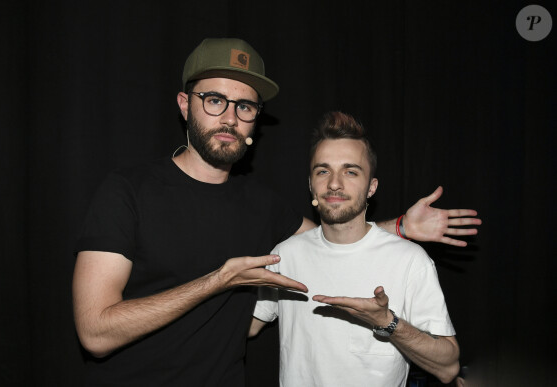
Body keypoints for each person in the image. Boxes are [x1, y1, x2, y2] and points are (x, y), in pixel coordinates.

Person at [72, 39, 479, 386]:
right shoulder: (128, 191)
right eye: (215, 100)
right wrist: (217, 282)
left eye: (245, 107)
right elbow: (94, 333)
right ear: (184, 104)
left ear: (255, 121)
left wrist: (403, 227)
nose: (230, 117)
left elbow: (336, 238)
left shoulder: (262, 205)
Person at [250, 111, 462, 387]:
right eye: (323, 171)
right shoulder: (285, 255)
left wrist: (386, 322)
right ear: (310, 185)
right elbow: (244, 329)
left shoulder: (409, 260)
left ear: (371, 187)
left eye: (350, 171)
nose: (334, 183)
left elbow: (448, 367)